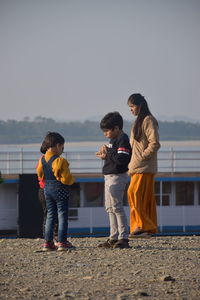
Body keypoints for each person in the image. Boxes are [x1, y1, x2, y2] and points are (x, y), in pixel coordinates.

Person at [96, 112, 131, 249]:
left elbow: (122, 158)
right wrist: (106, 156)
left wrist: (108, 153)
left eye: (106, 131)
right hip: (110, 176)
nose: (105, 134)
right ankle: (113, 236)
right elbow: (115, 156)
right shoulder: (114, 140)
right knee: (110, 208)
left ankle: (123, 237)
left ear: (116, 128)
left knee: (117, 207)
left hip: (117, 177)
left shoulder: (123, 139)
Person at [127, 93, 160, 238]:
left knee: (134, 194)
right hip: (136, 167)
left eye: (132, 106)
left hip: (143, 167)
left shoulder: (148, 120)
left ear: (140, 105)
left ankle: (142, 226)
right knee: (143, 198)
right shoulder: (138, 122)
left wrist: (143, 157)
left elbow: (154, 143)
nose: (131, 109)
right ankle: (143, 227)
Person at [36, 132, 75, 251]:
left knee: (50, 215)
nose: (62, 150)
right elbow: (67, 179)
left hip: (47, 188)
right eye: (62, 148)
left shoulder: (42, 159)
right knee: (62, 214)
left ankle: (48, 243)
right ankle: (62, 242)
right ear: (57, 145)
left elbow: (40, 174)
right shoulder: (60, 160)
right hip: (59, 188)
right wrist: (71, 180)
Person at [37, 141, 58, 240]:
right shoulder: (53, 160)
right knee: (54, 215)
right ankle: (54, 237)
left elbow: (40, 175)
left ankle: (47, 238)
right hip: (50, 189)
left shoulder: (41, 160)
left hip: (42, 189)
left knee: (47, 214)